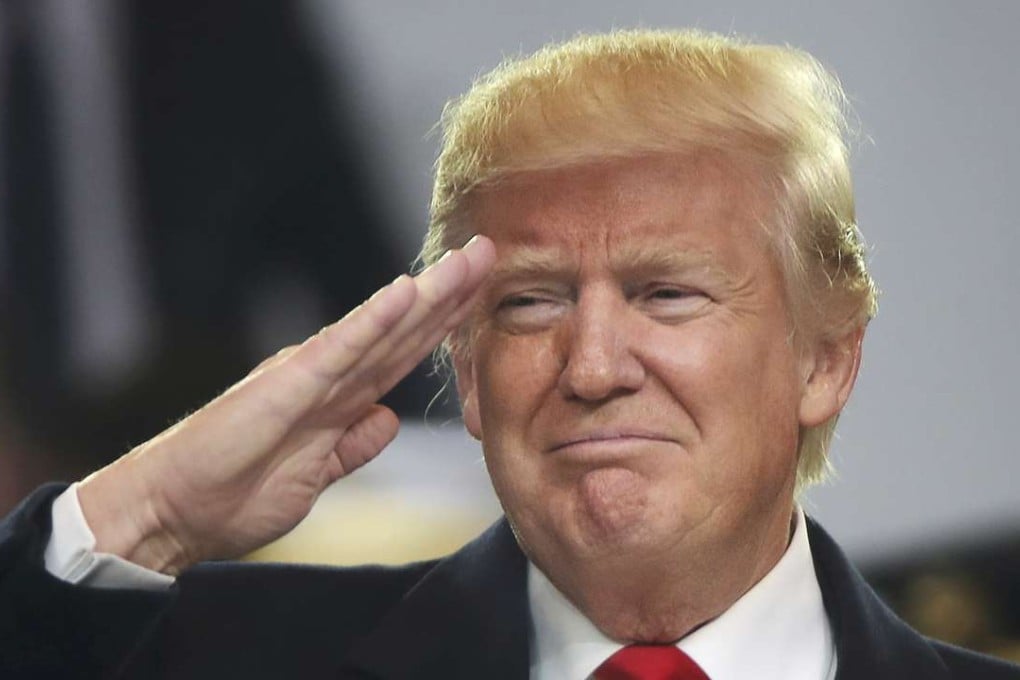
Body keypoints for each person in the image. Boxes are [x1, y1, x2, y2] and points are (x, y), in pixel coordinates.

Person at [1, 28, 1017, 680]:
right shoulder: (236, 658)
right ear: (469, 371)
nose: (592, 366)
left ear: (826, 361)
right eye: (532, 303)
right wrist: (152, 511)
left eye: (666, 294)